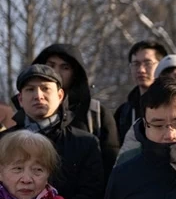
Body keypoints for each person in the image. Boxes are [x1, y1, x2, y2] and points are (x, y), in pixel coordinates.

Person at [33, 43, 120, 175]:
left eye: (65, 67)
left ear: (75, 74)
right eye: (51, 65)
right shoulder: (30, 110)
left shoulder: (95, 113)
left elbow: (111, 163)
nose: (55, 71)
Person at [115, 40, 169, 144]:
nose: (141, 70)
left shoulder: (175, 106)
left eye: (148, 63)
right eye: (136, 64)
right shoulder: (124, 113)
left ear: (162, 66)